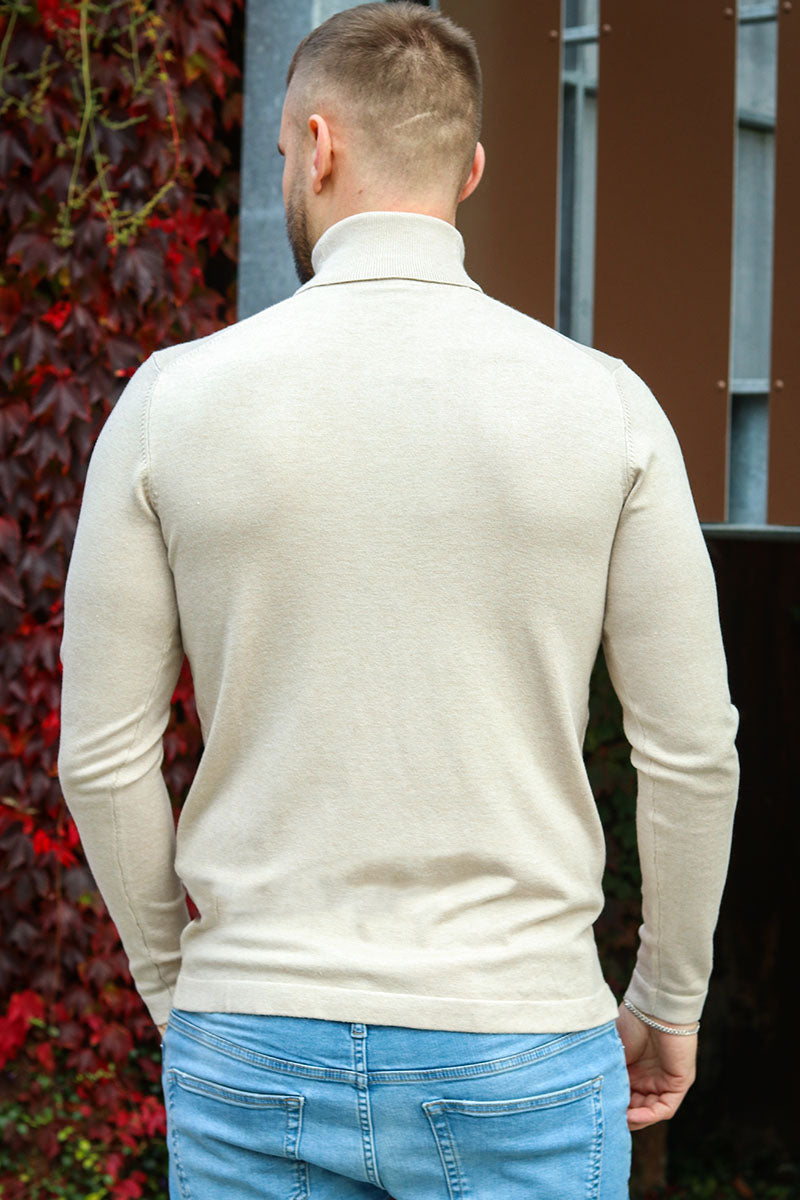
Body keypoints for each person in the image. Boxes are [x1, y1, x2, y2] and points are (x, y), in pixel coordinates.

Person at [58, 4, 739, 1197]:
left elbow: (101, 760)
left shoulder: (170, 402)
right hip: (519, 1037)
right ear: (468, 169)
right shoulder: (607, 408)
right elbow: (689, 752)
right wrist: (666, 999)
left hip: (250, 1034)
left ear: (318, 147)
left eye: (282, 151)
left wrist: (185, 991)